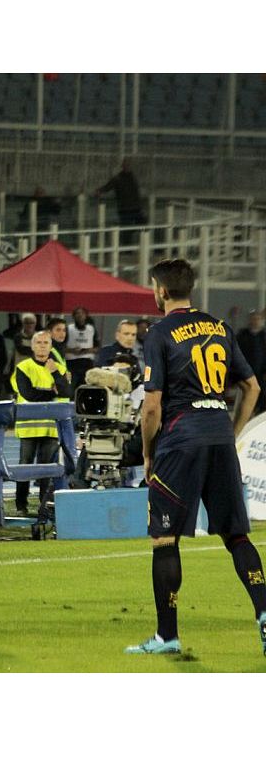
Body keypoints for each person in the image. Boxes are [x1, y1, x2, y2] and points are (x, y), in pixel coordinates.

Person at [125, 258, 266, 655]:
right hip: (219, 437)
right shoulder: (220, 327)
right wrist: (231, 433)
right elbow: (252, 387)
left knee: (164, 537)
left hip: (180, 441)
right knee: (236, 534)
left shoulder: (160, 332)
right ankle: (264, 612)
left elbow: (152, 406)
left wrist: (148, 454)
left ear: (161, 291)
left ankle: (166, 636)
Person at [11, 331, 71, 515]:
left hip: (51, 427)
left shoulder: (59, 368)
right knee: (25, 466)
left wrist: (55, 374)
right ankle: (21, 505)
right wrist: (52, 392)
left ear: (51, 346)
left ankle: (43, 505)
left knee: (47, 468)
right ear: (32, 346)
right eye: (39, 342)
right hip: (29, 427)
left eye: (46, 342)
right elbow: (29, 394)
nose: (42, 346)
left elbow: (66, 392)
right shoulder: (23, 367)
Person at [94, 158, 145, 244]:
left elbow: (136, 193)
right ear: (123, 166)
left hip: (134, 207)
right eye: (126, 165)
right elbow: (108, 186)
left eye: (128, 165)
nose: (127, 167)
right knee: (128, 229)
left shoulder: (132, 177)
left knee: (141, 224)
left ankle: (132, 242)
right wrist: (99, 191)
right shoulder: (119, 178)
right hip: (125, 208)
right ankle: (127, 246)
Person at [236, 309, 266, 415]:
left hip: (261, 373)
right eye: (253, 319)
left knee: (261, 394)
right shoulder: (242, 336)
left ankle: (259, 412)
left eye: (258, 319)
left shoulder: (264, 336)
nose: (255, 321)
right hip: (245, 372)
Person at [65, 306, 100, 389]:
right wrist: (72, 350)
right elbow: (61, 348)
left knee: (86, 387)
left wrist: (87, 350)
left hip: (87, 363)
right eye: (77, 313)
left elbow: (97, 348)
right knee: (70, 387)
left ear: (86, 315)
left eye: (82, 313)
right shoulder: (68, 329)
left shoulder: (91, 329)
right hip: (71, 363)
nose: (80, 315)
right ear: (73, 316)